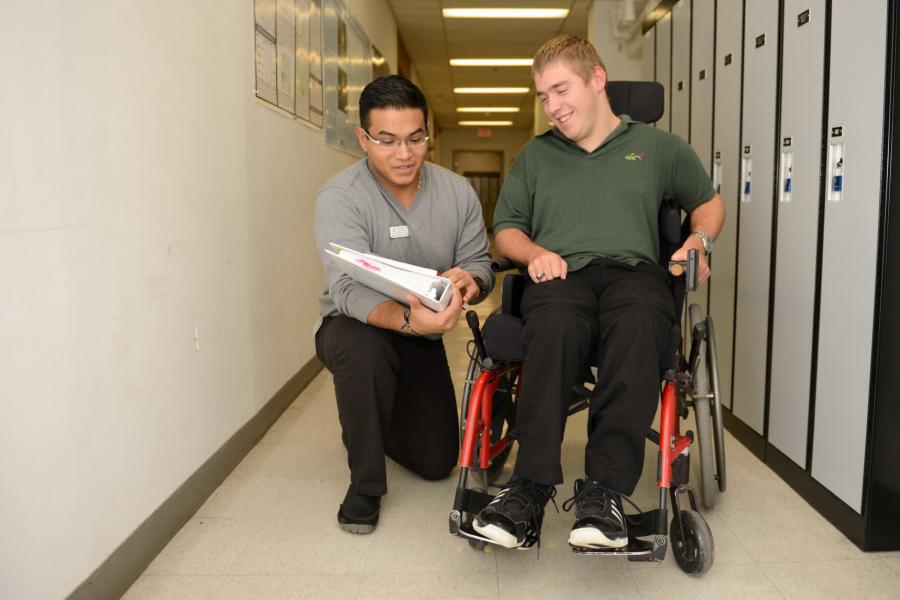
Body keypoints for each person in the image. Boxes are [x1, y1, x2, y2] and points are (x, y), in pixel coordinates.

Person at [473, 35, 725, 550]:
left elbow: (708, 203)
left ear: (597, 79)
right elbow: (506, 230)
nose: (553, 107)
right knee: (554, 322)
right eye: (543, 96)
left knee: (639, 321)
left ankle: (603, 496)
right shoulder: (536, 156)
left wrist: (699, 239)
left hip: (635, 277)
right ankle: (528, 487)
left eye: (560, 90)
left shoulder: (660, 148)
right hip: (562, 277)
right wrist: (533, 253)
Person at [314, 75, 494, 534]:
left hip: (420, 332)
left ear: (428, 132)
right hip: (354, 326)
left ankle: (368, 420)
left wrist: (469, 282)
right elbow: (347, 290)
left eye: (416, 138)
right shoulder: (341, 197)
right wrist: (409, 319)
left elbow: (479, 262)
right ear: (363, 138)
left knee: (437, 462)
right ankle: (365, 485)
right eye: (387, 140)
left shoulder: (456, 193)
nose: (404, 154)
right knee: (365, 353)